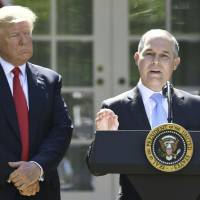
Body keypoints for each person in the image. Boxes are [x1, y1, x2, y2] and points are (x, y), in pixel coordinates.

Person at [87, 29, 200, 199]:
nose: (155, 61)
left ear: (175, 63)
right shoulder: (116, 107)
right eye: (149, 54)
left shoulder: (195, 106)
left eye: (164, 56)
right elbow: (96, 168)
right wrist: (105, 138)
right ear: (137, 58)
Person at [0, 5, 73, 200]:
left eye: (27, 33)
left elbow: (62, 129)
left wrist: (37, 168)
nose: (24, 41)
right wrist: (20, 178)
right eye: (15, 35)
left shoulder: (50, 80)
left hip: (42, 188)